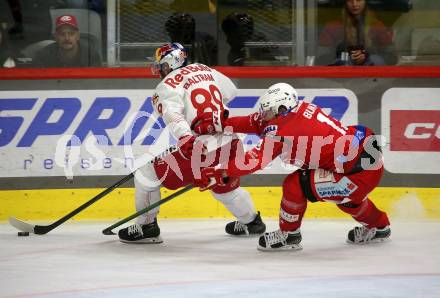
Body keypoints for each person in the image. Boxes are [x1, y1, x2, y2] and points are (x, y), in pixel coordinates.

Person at [193, 82, 391, 251]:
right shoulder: (294, 109)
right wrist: (218, 124)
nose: (263, 115)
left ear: (281, 109)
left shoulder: (283, 129)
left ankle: (289, 236)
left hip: (358, 174)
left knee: (296, 185)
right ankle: (380, 226)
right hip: (364, 159)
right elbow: (253, 122)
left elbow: (254, 160)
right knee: (348, 200)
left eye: (268, 111)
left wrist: (221, 171)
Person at [117, 42, 266, 243]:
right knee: (224, 188)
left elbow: (172, 115)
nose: (159, 70)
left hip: (201, 149)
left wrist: (186, 138)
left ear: (169, 64)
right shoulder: (204, 68)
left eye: (161, 65)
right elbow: (231, 91)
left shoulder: (166, 85)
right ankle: (252, 222)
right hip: (230, 143)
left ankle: (146, 227)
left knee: (145, 174)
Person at [318, 0, 396, 66]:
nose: (354, 4)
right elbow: (321, 58)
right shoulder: (332, 26)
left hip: (371, 79)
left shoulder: (377, 26)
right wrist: (345, 56)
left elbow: (391, 56)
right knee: (343, 62)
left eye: (358, 0)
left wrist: (367, 56)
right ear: (345, 2)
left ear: (366, 2)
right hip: (342, 78)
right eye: (350, 0)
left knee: (375, 59)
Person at [32, 14, 102, 67]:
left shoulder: (91, 56)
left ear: (77, 36)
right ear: (56, 37)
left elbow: (95, 83)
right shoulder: (43, 56)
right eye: (62, 34)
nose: (67, 38)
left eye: (71, 34)